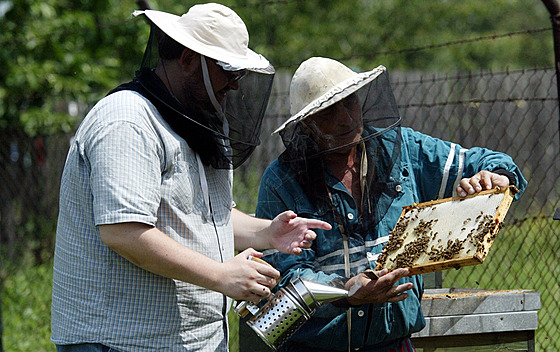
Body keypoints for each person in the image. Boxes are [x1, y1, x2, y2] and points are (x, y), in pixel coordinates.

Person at [50, 5, 331, 352]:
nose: (234, 83)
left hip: (188, 341)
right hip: (120, 341)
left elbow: (207, 219)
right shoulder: (127, 120)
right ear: (186, 59)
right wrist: (221, 275)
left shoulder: (194, 121)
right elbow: (123, 232)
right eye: (227, 69)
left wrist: (265, 233)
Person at [254, 57, 527, 352]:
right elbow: (285, 279)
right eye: (329, 111)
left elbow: (487, 162)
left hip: (394, 344)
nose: (345, 118)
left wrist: (494, 177)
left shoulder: (404, 151)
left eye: (350, 103)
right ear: (306, 124)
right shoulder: (281, 182)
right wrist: (347, 291)